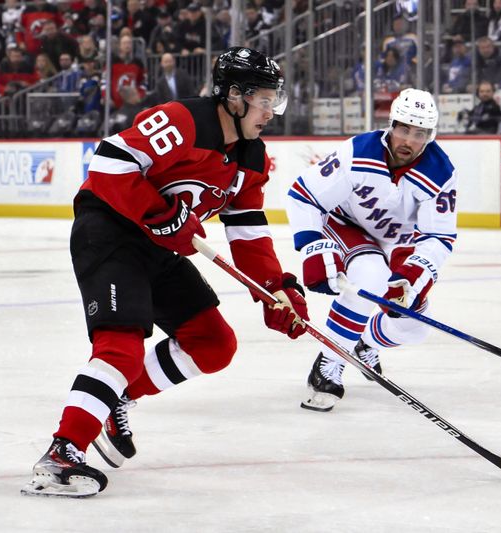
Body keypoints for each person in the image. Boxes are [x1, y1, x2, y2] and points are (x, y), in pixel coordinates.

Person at [21, 46, 310, 498]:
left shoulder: (252, 158)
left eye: (275, 99)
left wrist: (277, 290)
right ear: (234, 96)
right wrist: (161, 213)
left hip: (159, 246)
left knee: (213, 343)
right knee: (121, 347)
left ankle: (113, 399)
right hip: (112, 231)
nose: (271, 110)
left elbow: (249, 232)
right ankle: (61, 454)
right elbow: (109, 162)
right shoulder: (184, 120)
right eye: (264, 99)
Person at [285, 88, 458, 412]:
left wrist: (414, 275)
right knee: (370, 274)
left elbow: (438, 235)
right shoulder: (358, 152)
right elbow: (303, 195)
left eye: (419, 133)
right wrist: (314, 246)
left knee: (413, 327)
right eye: (404, 129)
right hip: (347, 224)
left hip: (397, 240)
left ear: (430, 136)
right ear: (391, 125)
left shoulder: (440, 172)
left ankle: (364, 341)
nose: (409, 140)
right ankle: (329, 362)